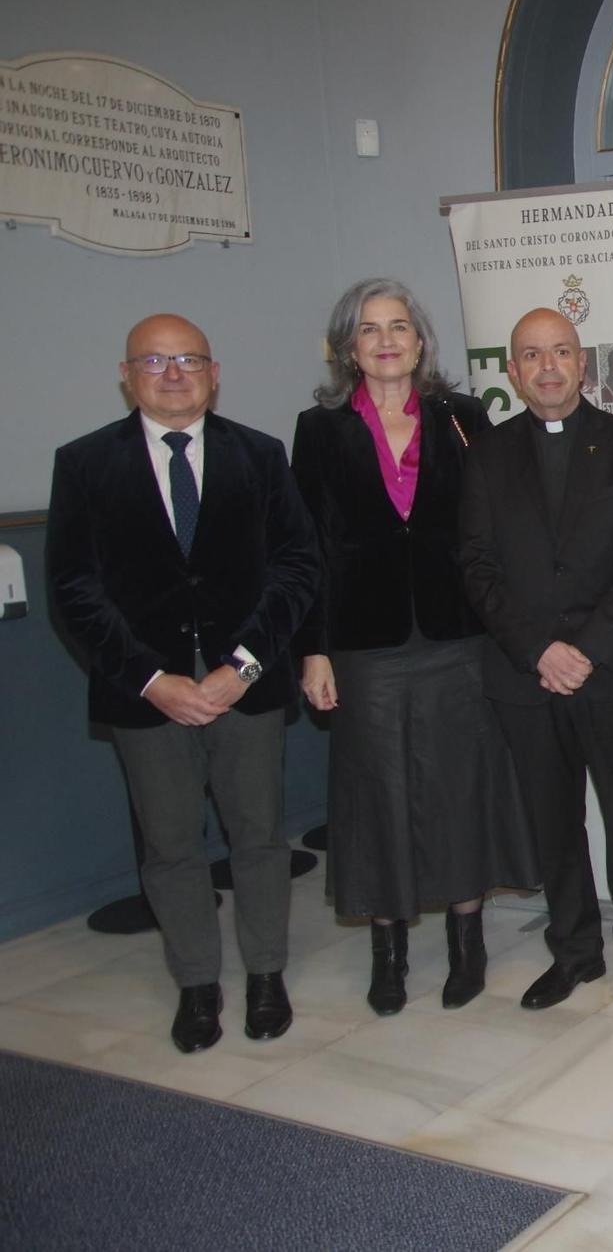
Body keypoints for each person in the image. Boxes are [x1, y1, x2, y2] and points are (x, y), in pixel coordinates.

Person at [47, 314, 319, 1052]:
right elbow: (74, 589)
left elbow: (296, 567)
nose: (173, 373)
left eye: (189, 359)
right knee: (170, 847)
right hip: (148, 695)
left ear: (214, 371)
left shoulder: (260, 457)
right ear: (127, 374)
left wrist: (244, 667)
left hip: (247, 687)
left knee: (258, 836)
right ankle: (198, 984)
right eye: (155, 361)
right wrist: (150, 678)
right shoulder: (84, 464)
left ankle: (266, 973)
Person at [291, 278, 537, 1015]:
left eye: (400, 326)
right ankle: (389, 951)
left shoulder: (462, 418)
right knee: (378, 797)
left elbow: (494, 530)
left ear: (422, 342)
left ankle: (468, 940)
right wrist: (314, 649)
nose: (387, 340)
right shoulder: (320, 429)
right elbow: (307, 549)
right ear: (348, 348)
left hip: (457, 637)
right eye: (370, 329)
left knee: (460, 787)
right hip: (364, 646)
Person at [460, 308, 613, 1011]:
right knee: (554, 822)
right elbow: (478, 566)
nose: (547, 367)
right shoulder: (487, 454)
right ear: (513, 371)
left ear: (583, 364)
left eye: (560, 352)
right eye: (531, 354)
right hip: (526, 676)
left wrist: (584, 649)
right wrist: (538, 650)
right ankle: (575, 951)